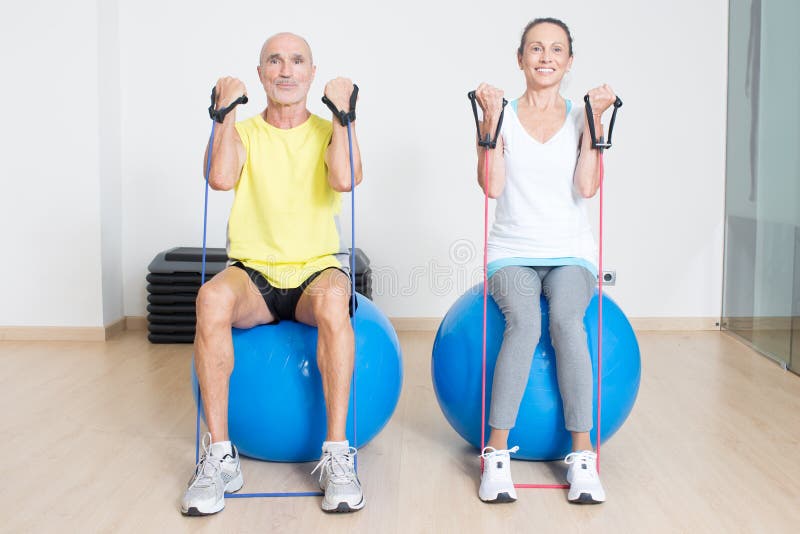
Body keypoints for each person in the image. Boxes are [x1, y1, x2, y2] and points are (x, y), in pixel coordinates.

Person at [181, 32, 365, 516]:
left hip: (315, 270)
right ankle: (220, 456)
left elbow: (345, 179)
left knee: (332, 301)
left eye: (297, 61)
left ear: (311, 72)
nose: (286, 70)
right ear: (261, 74)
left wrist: (345, 115)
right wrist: (224, 114)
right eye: (274, 61)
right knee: (210, 299)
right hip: (253, 275)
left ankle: (338, 454)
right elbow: (220, 178)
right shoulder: (243, 133)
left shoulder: (329, 130)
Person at [473, 17, 617, 504]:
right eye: (536, 48)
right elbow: (491, 187)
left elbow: (586, 188)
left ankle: (582, 459)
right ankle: (495, 456)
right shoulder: (501, 115)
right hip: (511, 251)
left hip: (571, 253)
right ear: (520, 58)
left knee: (567, 321)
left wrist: (596, 124)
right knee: (525, 323)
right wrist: (489, 123)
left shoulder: (582, 116)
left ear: (570, 61)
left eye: (557, 49)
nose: (546, 57)